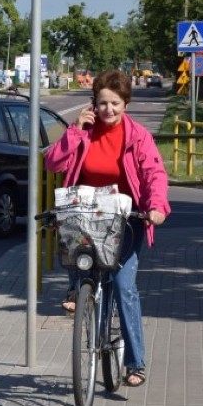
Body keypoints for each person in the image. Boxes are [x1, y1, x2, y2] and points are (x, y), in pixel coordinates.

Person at [44, 69, 170, 388]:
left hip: (125, 218)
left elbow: (154, 172)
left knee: (124, 286)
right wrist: (74, 131)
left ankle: (135, 363)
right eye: (102, 103)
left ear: (125, 103)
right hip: (86, 213)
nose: (108, 110)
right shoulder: (84, 131)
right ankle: (77, 286)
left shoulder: (137, 136)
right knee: (73, 235)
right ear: (93, 104)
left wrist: (156, 206)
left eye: (115, 103)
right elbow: (53, 164)